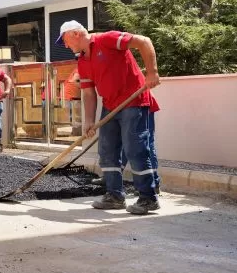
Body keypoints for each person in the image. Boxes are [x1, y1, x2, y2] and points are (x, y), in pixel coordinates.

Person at [57, 20, 161, 215]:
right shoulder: (83, 61)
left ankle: (148, 198)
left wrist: (152, 72)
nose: (65, 45)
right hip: (110, 105)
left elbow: (144, 41)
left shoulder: (108, 39)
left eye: (65, 40)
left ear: (76, 34)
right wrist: (89, 122)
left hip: (134, 101)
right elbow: (88, 93)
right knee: (107, 150)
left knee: (135, 149)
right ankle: (114, 196)